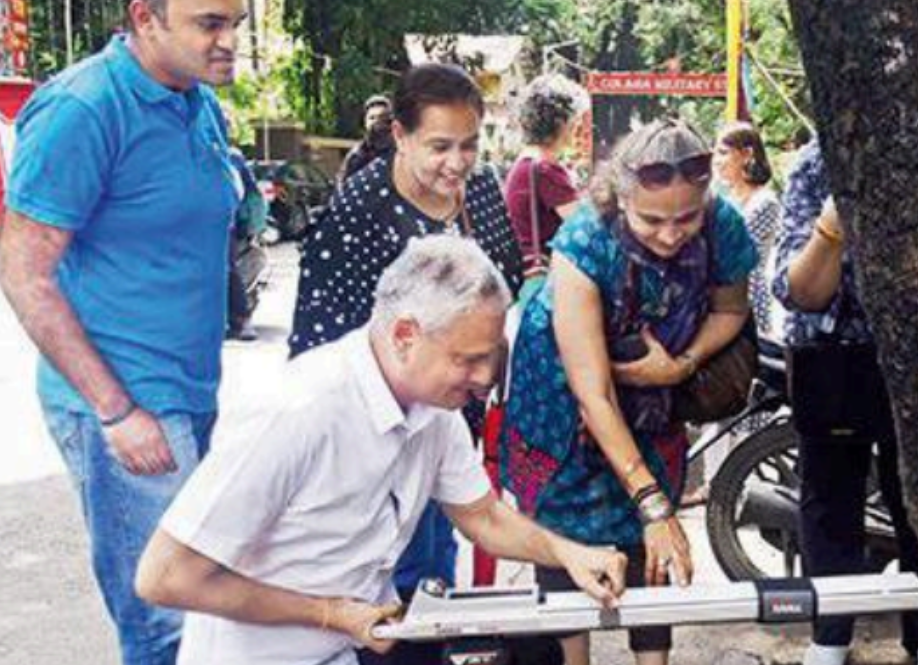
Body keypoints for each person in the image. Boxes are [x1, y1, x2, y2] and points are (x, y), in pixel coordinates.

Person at [135, 236, 628, 665]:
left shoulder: (435, 409)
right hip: (272, 654)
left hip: (360, 642)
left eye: (492, 356)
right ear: (405, 336)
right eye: (469, 359)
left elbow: (482, 516)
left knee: (533, 652)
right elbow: (165, 576)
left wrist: (568, 553)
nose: (485, 378)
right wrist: (329, 613)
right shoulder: (300, 409)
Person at [0, 0, 245, 663]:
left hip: (190, 391)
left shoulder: (197, 102)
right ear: (144, 17)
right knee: (163, 618)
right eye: (208, 23)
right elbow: (25, 276)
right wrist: (116, 411)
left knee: (199, 608)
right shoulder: (84, 108)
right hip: (126, 404)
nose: (227, 40)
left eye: (233, 21)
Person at [288, 63, 523, 664]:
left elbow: (504, 283)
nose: (457, 162)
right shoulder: (359, 212)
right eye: (439, 146)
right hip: (377, 442)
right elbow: (316, 344)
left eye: (468, 145)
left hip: (452, 427)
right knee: (392, 592)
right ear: (399, 135)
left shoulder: (484, 191)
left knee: (437, 583)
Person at [501, 119, 758, 665]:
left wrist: (678, 368)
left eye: (686, 218)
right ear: (621, 199)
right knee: (567, 534)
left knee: (653, 546)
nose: (671, 235)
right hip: (562, 404)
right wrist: (653, 502)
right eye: (652, 220)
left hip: (655, 398)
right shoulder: (587, 239)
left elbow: (731, 310)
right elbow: (593, 394)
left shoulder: (722, 225)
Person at [771, 143, 918, 665]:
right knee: (829, 503)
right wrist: (831, 227)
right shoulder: (816, 164)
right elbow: (800, 290)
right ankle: (830, 637)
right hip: (834, 356)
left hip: (917, 358)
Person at [504, 73, 590, 302]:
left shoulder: (526, 162)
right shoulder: (545, 169)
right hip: (544, 279)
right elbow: (585, 226)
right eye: (577, 120)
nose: (580, 128)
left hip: (527, 274)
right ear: (561, 123)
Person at [713, 121, 782, 336]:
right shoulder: (726, 198)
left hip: (749, 299)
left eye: (723, 153)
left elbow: (733, 249)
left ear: (746, 154)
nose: (717, 161)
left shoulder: (764, 202)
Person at [227, 144, 266, 341]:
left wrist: (254, 224)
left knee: (227, 270)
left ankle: (242, 320)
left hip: (224, 223)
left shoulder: (232, 157)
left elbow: (251, 193)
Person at [339, 94, 396, 185]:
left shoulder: (403, 153)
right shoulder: (357, 155)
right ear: (365, 123)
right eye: (372, 118)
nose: (378, 123)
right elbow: (344, 188)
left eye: (383, 118)